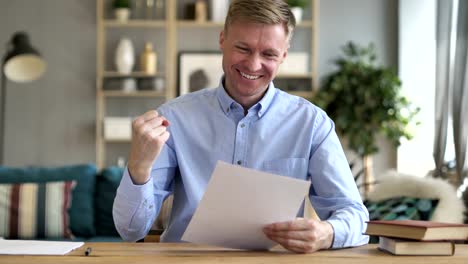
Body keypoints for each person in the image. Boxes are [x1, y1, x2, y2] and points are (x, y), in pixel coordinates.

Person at [113, 0, 369, 253]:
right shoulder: (174, 119)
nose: (253, 65)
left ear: (284, 55)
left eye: (268, 54)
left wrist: (327, 233)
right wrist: (138, 167)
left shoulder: (312, 124)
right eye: (243, 48)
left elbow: (356, 217)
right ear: (222, 40)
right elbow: (130, 231)